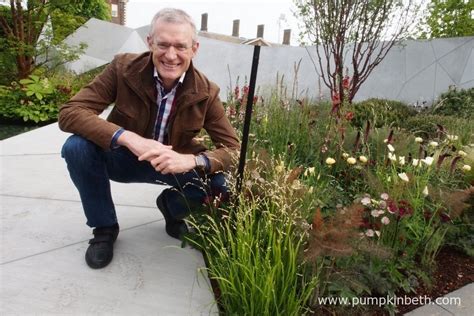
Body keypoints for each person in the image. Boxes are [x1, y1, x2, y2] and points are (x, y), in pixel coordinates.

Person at [59, 8, 240, 269]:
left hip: (173, 166)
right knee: (76, 147)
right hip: (123, 158)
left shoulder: (207, 92)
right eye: (163, 44)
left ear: (194, 49)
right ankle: (104, 228)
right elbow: (70, 112)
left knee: (221, 184)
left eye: (180, 46)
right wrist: (128, 137)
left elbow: (233, 150)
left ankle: (172, 206)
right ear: (150, 42)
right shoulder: (122, 68)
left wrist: (191, 160)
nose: (171, 55)